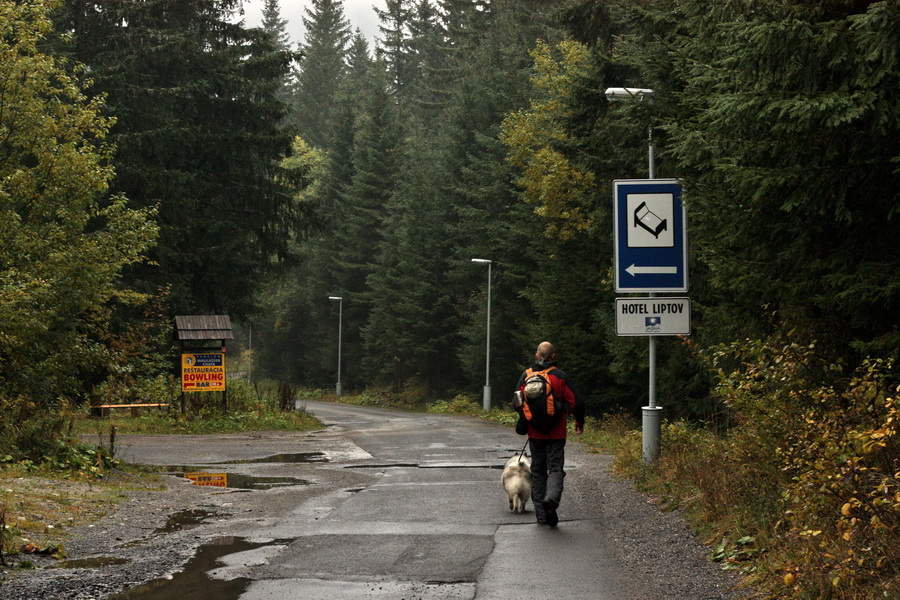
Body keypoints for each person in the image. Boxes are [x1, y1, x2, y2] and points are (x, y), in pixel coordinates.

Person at [514, 341, 585, 527]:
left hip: (535, 433)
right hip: (556, 433)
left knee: (538, 472)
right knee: (555, 469)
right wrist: (579, 421)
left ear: (537, 356)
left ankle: (542, 516)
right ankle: (551, 499)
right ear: (553, 356)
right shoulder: (560, 377)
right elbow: (576, 402)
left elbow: (517, 402)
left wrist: (527, 419)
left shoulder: (526, 375)